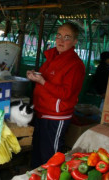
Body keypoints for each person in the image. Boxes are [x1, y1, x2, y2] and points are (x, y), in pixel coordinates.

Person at [26, 22, 85, 168]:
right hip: (41, 111)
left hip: (55, 117)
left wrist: (42, 82)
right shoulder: (52, 57)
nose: (61, 40)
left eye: (67, 37)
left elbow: (66, 93)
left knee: (50, 158)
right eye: (59, 36)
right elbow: (45, 80)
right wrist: (34, 77)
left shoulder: (75, 65)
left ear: (74, 42)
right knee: (37, 154)